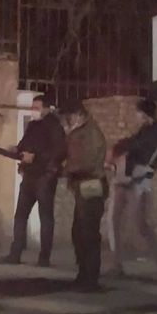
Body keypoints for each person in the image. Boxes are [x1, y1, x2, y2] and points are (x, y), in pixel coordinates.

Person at [108, 98, 157, 276]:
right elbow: (131, 143)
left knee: (141, 224)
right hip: (126, 177)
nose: (136, 115)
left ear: (145, 113)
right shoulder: (144, 130)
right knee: (114, 219)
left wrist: (121, 147)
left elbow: (141, 150)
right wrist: (120, 147)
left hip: (139, 181)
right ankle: (117, 264)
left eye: (138, 112)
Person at [4, 94, 67, 267]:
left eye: (37, 108)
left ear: (47, 108)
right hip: (29, 176)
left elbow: (60, 151)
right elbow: (24, 145)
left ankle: (44, 257)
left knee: (45, 217)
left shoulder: (54, 126)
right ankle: (15, 253)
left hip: (45, 177)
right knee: (20, 215)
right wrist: (16, 150)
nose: (33, 111)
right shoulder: (32, 126)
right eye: (32, 107)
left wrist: (37, 157)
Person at [59, 99, 108, 292]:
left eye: (69, 117)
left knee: (88, 232)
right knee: (79, 231)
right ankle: (84, 274)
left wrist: (63, 170)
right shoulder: (80, 131)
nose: (67, 121)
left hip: (91, 183)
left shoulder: (90, 133)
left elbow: (84, 162)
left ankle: (90, 278)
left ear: (79, 114)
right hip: (84, 184)